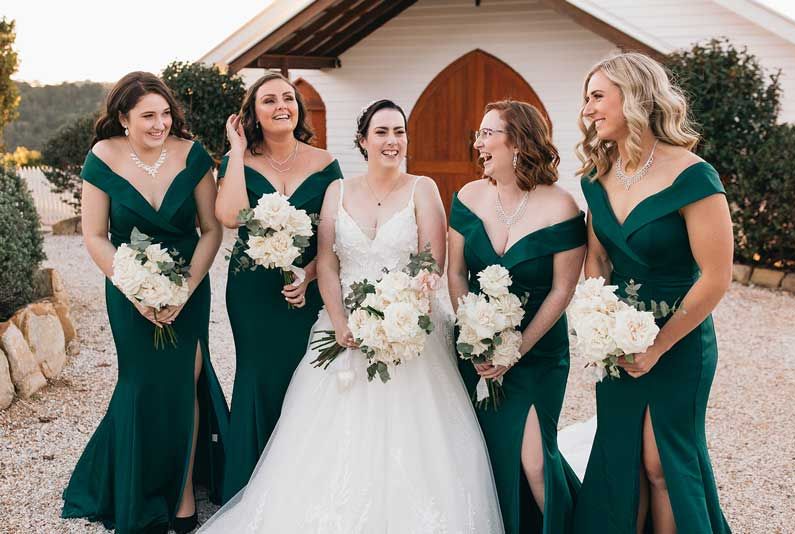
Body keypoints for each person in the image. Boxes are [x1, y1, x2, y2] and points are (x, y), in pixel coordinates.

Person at [198, 99, 503, 533]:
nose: (392, 141)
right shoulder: (337, 191)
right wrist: (340, 322)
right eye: (381, 132)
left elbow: (430, 261)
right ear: (363, 140)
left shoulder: (423, 188)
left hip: (408, 330)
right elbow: (327, 263)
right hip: (342, 326)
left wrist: (399, 312)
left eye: (399, 132)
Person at [61, 71, 228, 534]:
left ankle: (180, 500)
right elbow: (94, 235)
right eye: (148, 115)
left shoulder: (193, 156)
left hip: (189, 287)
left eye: (166, 114)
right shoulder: (102, 156)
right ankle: (138, 484)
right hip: (127, 289)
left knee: (183, 383)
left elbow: (211, 229)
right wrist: (134, 288)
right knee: (141, 384)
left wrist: (185, 288)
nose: (160, 124)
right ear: (123, 118)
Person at [574, 52, 733, 533]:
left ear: (636, 97)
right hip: (618, 341)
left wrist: (659, 345)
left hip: (679, 339)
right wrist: (599, 321)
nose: (588, 109)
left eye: (598, 96)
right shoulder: (597, 179)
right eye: (586, 98)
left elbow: (716, 276)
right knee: (625, 460)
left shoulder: (694, 176)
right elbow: (598, 260)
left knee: (663, 464)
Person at [448, 100, 585, 534]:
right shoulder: (469, 196)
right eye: (479, 133)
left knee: (535, 462)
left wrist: (516, 350)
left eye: (488, 133)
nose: (479, 143)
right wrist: (475, 333)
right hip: (476, 352)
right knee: (491, 455)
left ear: (519, 142)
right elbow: (454, 272)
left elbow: (563, 289)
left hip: (538, 354)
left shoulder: (562, 207)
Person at [215, 72, 342, 502]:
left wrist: (308, 275)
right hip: (251, 289)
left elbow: (336, 233)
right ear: (253, 113)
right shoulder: (240, 160)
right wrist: (235, 151)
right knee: (257, 375)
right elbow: (230, 216)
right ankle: (250, 484)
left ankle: (303, 482)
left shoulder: (325, 163)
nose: (281, 106)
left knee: (305, 377)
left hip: (306, 286)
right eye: (268, 100)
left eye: (288, 98)